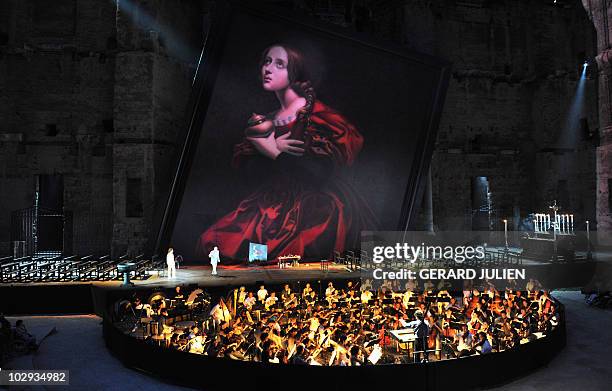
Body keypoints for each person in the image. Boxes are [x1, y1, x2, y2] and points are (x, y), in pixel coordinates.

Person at [196, 43, 377, 262]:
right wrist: (268, 151)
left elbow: (318, 174)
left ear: (295, 73)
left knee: (288, 255)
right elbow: (250, 172)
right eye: (267, 61)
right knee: (216, 242)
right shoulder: (268, 119)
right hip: (271, 203)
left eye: (279, 64)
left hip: (314, 206)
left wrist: (273, 151)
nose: (268, 69)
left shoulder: (316, 115)